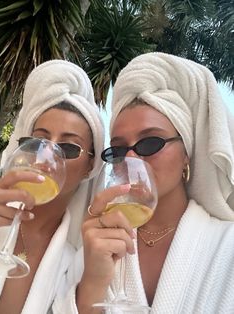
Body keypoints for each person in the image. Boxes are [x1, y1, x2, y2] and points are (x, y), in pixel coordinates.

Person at [53, 52, 234, 313]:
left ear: (186, 155)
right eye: (117, 150)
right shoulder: (96, 245)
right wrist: (92, 282)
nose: (131, 159)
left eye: (150, 143)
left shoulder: (226, 245)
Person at [0, 60, 104, 314]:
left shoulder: (77, 262)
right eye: (38, 141)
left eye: (68, 148)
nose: (46, 159)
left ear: (91, 165)